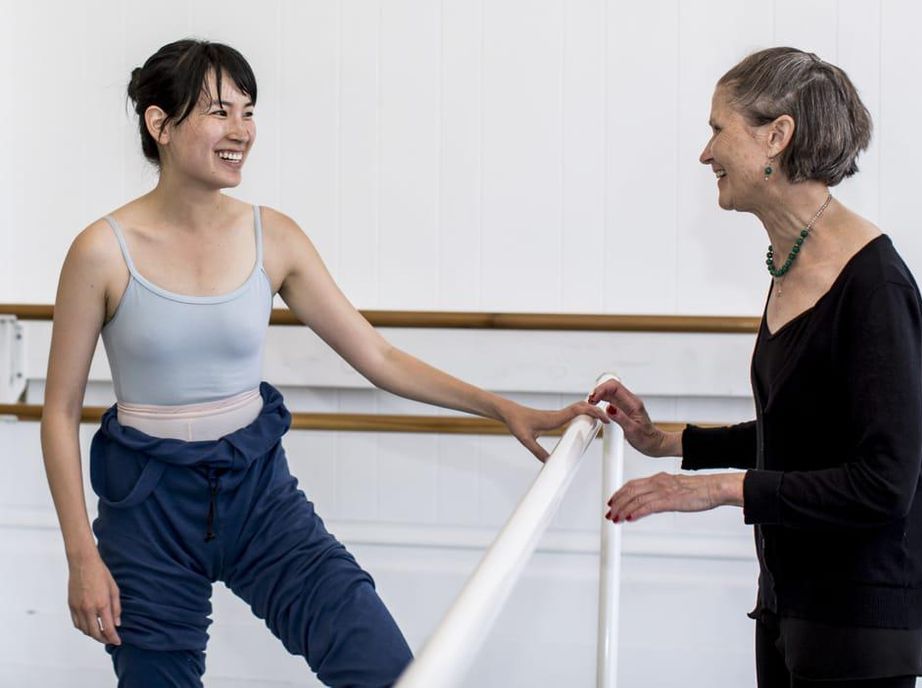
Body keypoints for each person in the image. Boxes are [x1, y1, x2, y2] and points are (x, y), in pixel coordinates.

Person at [39, 39, 603, 688]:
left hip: (259, 495)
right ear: (159, 124)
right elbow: (58, 412)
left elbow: (378, 355)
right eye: (220, 111)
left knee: (387, 671)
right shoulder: (101, 251)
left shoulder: (272, 235)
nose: (241, 131)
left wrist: (503, 407)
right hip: (148, 507)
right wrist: (80, 554)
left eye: (249, 112)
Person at [590, 47, 922, 688]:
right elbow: (807, 436)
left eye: (716, 129)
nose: (706, 155)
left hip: (862, 614)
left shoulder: (874, 285)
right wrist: (664, 442)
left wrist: (720, 488)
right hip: (794, 598)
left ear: (776, 137)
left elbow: (882, 482)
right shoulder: (792, 263)